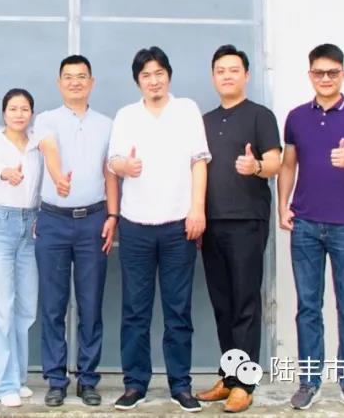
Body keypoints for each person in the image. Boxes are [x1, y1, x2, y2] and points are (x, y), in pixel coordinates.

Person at [107, 46, 210, 413]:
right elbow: (113, 161)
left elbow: (199, 161)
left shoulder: (187, 110)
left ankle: (180, 385)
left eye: (159, 73)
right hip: (136, 224)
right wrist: (125, 166)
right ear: (138, 81)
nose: (154, 80)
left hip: (178, 224)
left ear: (169, 75)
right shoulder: (126, 115)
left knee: (178, 309)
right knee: (135, 309)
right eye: (146, 75)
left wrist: (197, 209)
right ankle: (135, 383)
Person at [277, 43, 344, 414]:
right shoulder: (296, 117)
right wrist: (282, 205)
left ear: (343, 74)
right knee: (308, 307)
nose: (325, 78)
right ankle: (309, 382)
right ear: (310, 75)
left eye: (332, 72)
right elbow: (288, 164)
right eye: (319, 72)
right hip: (305, 222)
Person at [195, 45, 281, 414]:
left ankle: (245, 384)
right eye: (220, 70)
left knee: (246, 302)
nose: (227, 75)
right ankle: (229, 378)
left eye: (234, 70)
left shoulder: (261, 116)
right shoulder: (204, 121)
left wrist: (255, 166)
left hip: (247, 220)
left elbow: (275, 161)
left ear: (246, 75)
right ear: (213, 77)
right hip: (211, 222)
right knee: (223, 304)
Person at [34, 55, 119, 407]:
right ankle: (56, 379)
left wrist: (113, 215)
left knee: (90, 303)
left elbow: (110, 172)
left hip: (93, 221)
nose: (75, 82)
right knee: (52, 305)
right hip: (53, 221)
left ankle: (88, 379)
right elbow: (49, 149)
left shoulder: (107, 124)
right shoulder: (46, 119)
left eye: (81, 76)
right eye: (68, 77)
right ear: (59, 83)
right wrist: (58, 178)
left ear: (92, 83)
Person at [0, 89, 44, 407]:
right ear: (4, 112)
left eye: (25, 108)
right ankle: (4, 385)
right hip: (1, 225)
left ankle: (18, 377)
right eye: (13, 108)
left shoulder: (38, 146)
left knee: (26, 307)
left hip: (31, 226)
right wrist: (8, 173)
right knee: (0, 307)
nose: (19, 114)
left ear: (32, 113)